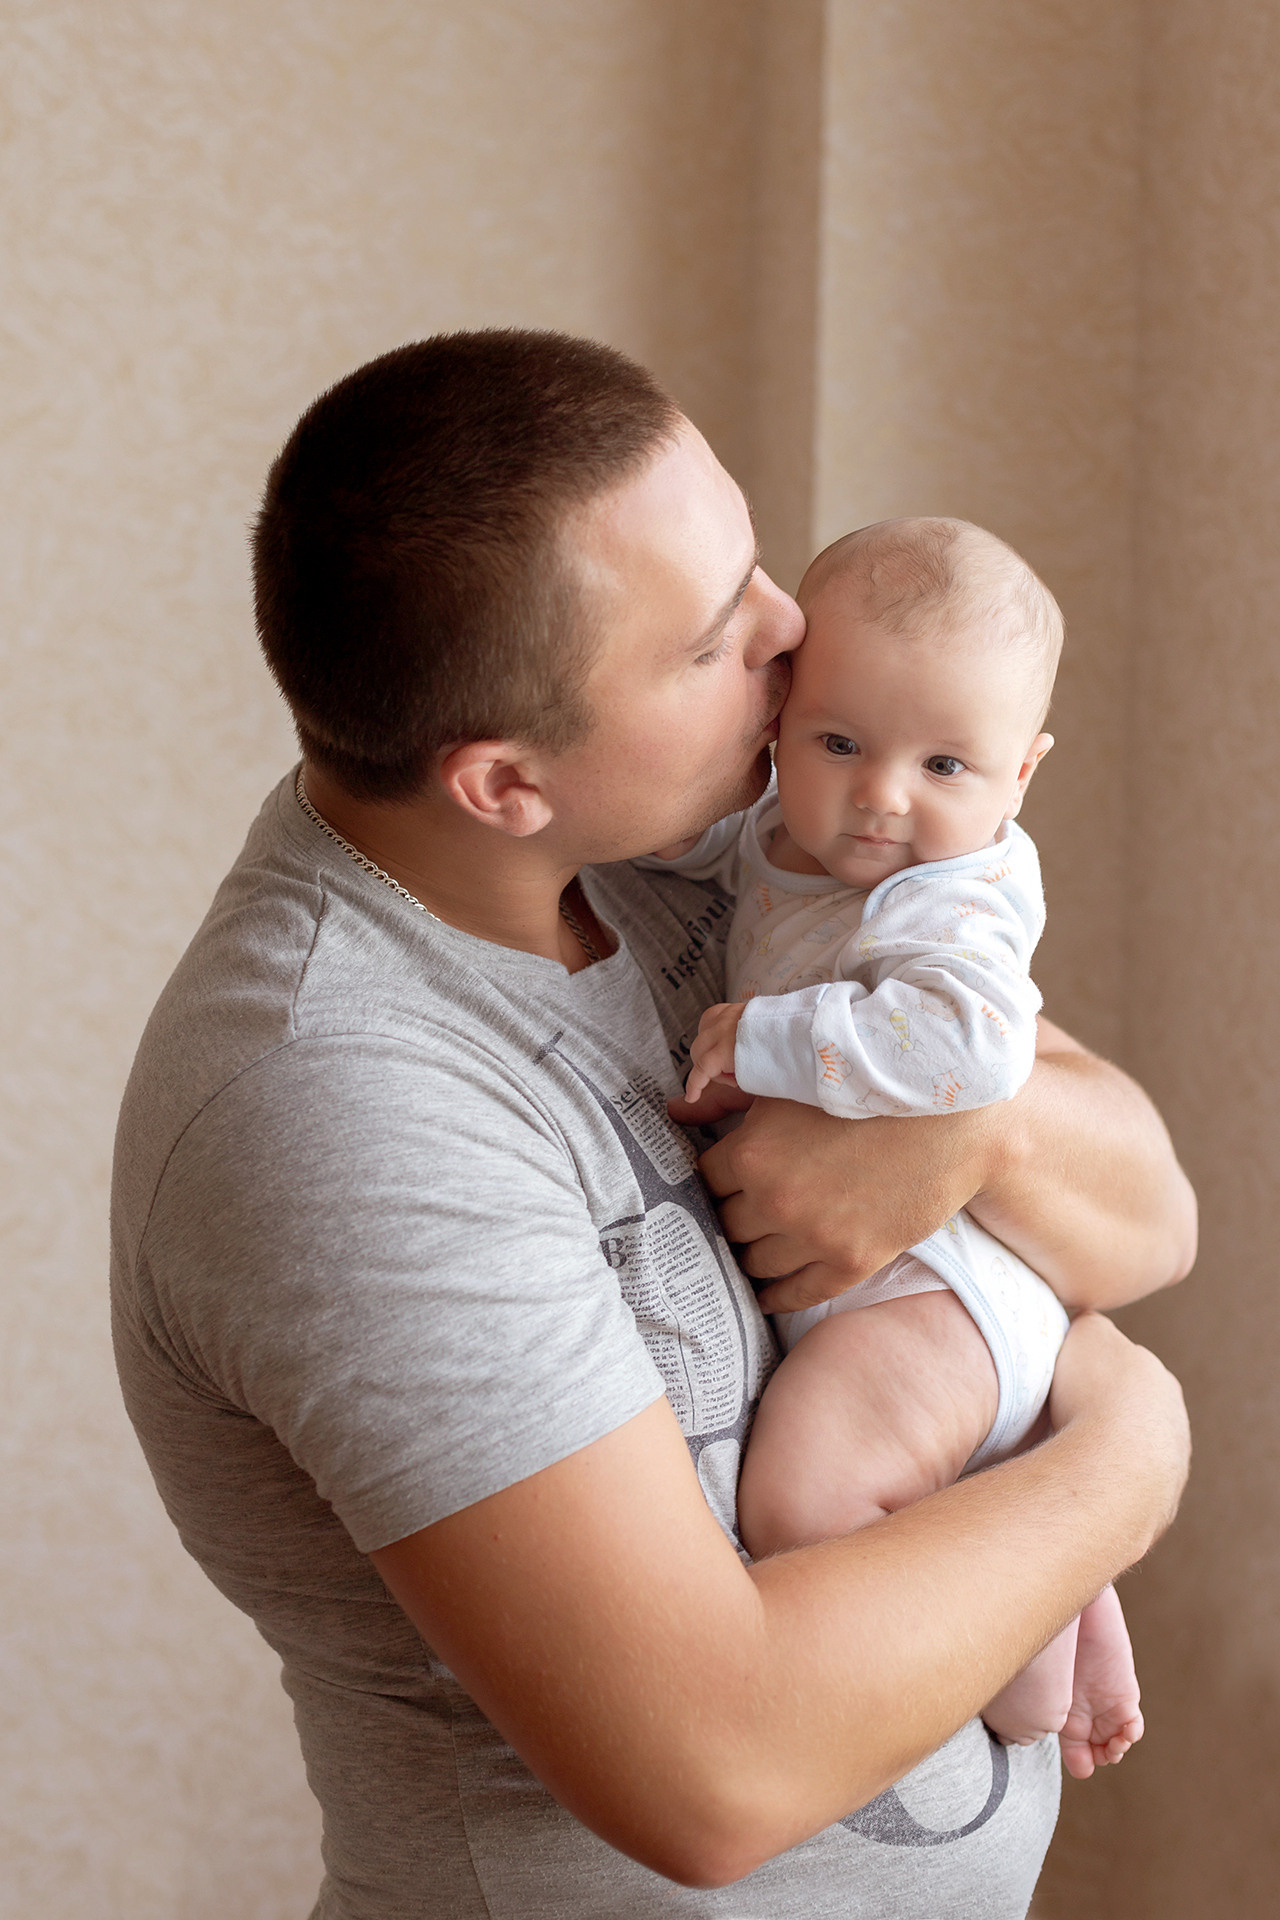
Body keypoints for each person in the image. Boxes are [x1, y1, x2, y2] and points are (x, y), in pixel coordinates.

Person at [111, 330, 1193, 1920]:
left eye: (755, 563)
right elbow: (713, 1775)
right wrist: (1133, 1446)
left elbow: (1151, 1211)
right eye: (707, 642)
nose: (787, 631)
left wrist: (975, 1140)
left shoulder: (685, 861)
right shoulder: (332, 1101)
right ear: (501, 782)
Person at [672, 517, 1140, 1780]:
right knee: (916, 1488)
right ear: (777, 724)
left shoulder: (956, 891)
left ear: (1021, 774)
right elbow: (706, 854)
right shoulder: (784, 838)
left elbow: (975, 1050)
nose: (883, 796)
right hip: (904, 1298)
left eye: (945, 762)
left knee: (801, 1500)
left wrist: (764, 1041)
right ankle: (1065, 1582)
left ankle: (1025, 1652)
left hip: (937, 1289)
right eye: (839, 743)